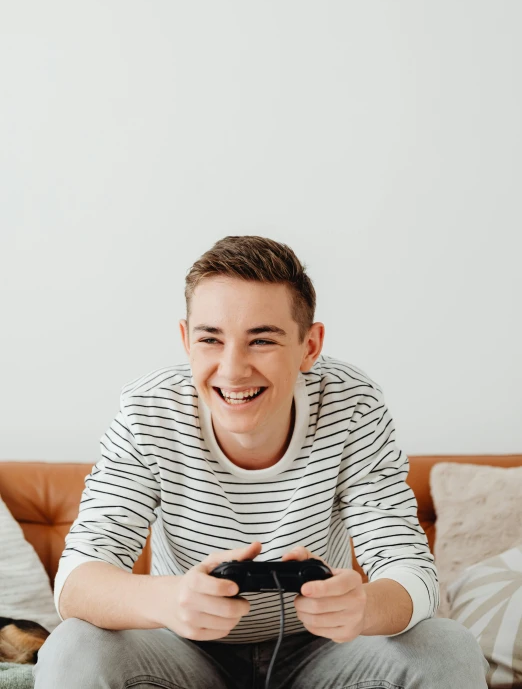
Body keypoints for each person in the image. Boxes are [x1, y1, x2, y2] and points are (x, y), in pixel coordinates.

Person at [33, 235, 489, 688]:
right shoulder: (148, 410)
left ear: (309, 346)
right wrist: (172, 600)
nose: (232, 369)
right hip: (180, 648)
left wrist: (364, 607)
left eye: (262, 341)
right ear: (186, 340)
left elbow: (410, 569)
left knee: (447, 647)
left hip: (323, 651)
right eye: (210, 339)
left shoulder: (352, 404)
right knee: (72, 648)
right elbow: (77, 581)